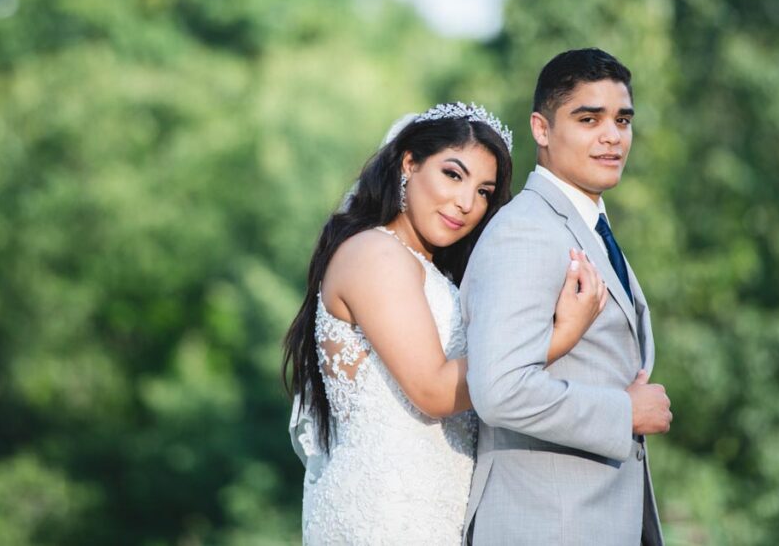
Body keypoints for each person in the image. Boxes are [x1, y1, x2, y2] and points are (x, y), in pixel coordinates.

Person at [283, 102, 609, 545]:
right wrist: (559, 337)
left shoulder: (434, 274)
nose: (465, 203)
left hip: (436, 514)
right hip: (384, 516)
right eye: (453, 175)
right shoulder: (374, 255)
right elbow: (434, 391)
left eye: (484, 192)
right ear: (409, 163)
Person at [462, 49, 673, 545]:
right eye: (588, 118)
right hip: (546, 526)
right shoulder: (527, 231)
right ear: (541, 128)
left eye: (622, 120)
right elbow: (499, 390)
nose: (612, 136)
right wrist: (624, 413)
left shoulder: (590, 226)